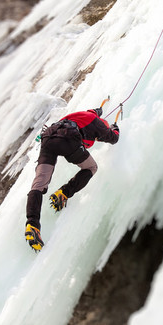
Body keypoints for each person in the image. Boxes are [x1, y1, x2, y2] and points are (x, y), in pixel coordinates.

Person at [25, 107, 120, 250]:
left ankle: (32, 224)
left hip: (49, 136)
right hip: (68, 138)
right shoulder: (99, 124)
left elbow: (93, 111)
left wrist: (98, 110)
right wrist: (115, 128)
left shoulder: (82, 115)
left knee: (39, 184)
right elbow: (113, 138)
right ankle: (63, 193)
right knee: (91, 167)